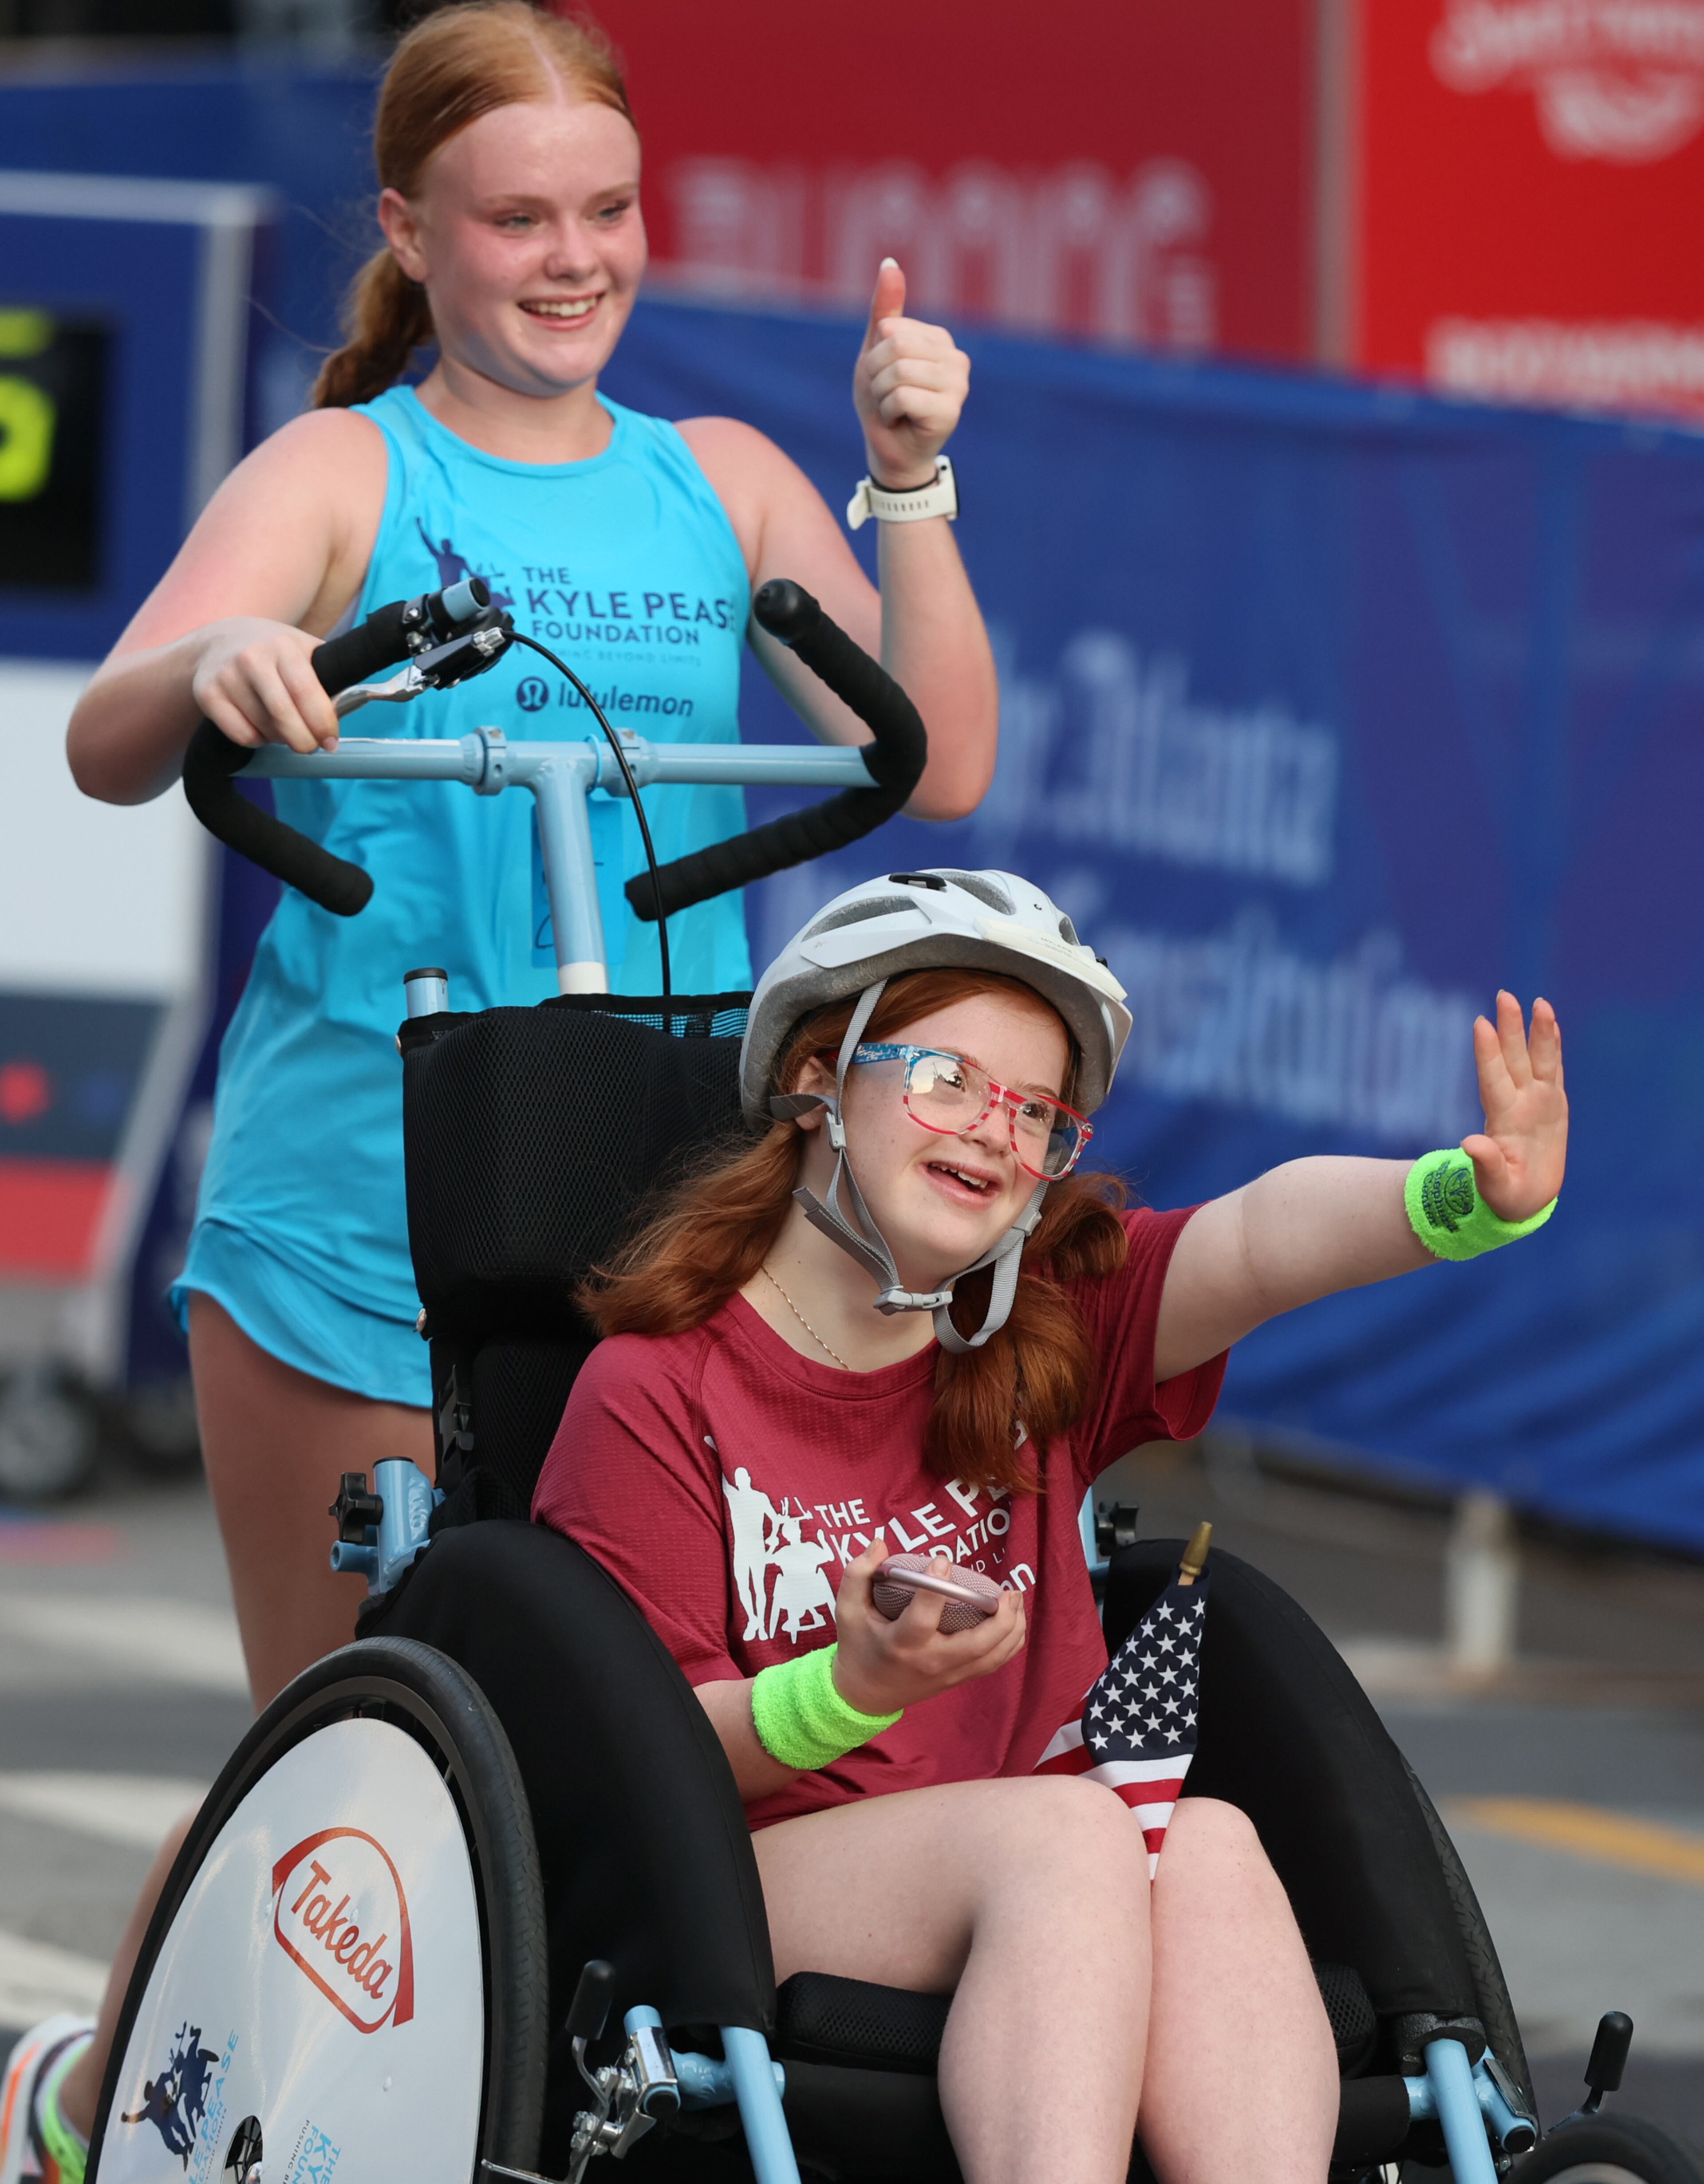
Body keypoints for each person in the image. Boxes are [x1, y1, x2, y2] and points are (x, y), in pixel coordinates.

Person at [15, 7, 995, 2174]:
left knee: (620, 1743)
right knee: (354, 1756)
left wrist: (905, 482)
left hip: (660, 1216)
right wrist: (226, 667)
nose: (575, 258)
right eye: (518, 217)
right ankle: (102, 2106)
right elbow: (109, 731)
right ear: (408, 230)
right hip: (362, 1211)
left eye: (611, 212)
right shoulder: (348, 469)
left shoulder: (720, 480)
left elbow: (936, 752)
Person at [532, 867, 1569, 2184]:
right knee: (1075, 1831)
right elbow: (643, 1751)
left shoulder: (1040, 1331)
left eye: (1037, 1113)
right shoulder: (658, 1389)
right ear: (814, 1076)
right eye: (948, 1078)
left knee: (1208, 1844)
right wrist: (848, 1691)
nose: (995, 1133)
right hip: (740, 1883)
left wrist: (1461, 1201)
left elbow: (1255, 1243)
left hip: (1034, 1867)